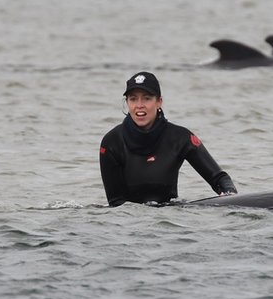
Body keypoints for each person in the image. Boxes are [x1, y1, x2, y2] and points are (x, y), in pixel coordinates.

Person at [99, 71, 237, 206]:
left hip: (170, 219)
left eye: (147, 98)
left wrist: (231, 199)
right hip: (129, 224)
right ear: (127, 102)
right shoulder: (112, 142)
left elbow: (219, 178)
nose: (139, 105)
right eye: (133, 99)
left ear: (159, 102)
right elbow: (115, 203)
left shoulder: (180, 137)